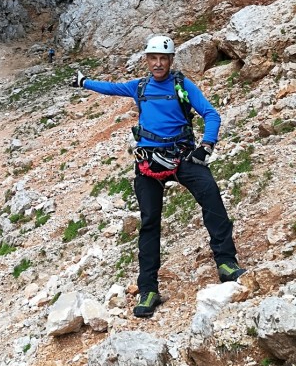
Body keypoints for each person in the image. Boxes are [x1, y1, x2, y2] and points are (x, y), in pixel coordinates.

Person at [72, 34, 246, 318]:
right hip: (148, 163)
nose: (158, 63)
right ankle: (148, 290)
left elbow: (211, 114)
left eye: (163, 58)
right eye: (153, 58)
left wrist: (207, 146)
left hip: (183, 156)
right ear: (147, 60)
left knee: (212, 197)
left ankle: (226, 263)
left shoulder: (182, 85)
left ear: (170, 60)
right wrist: (84, 82)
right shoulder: (139, 87)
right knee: (150, 222)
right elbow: (111, 88)